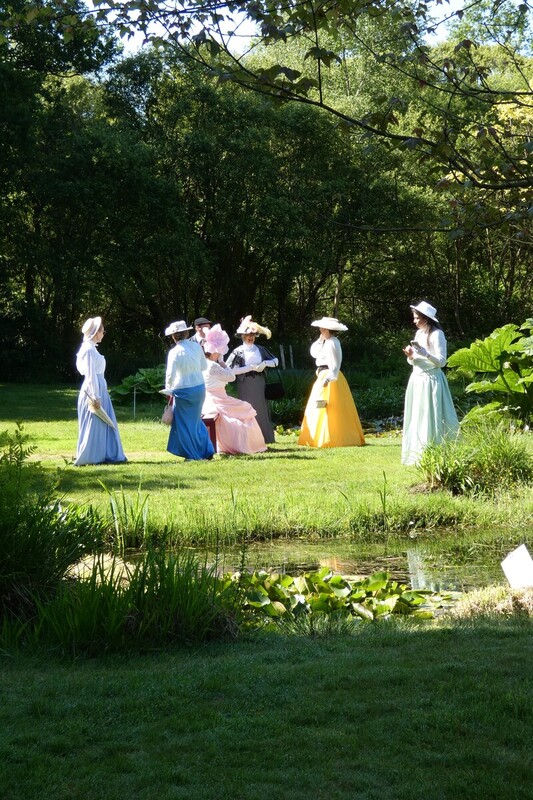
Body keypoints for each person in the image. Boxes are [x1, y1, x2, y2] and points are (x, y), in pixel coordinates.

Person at [401, 300, 459, 465]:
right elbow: (414, 360)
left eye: (417, 318)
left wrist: (426, 353)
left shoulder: (437, 334)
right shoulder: (419, 334)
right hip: (417, 379)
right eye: (414, 317)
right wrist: (411, 355)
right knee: (418, 414)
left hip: (431, 380)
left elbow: (441, 362)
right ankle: (418, 453)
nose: (414, 321)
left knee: (431, 414)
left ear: (426, 318)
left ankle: (434, 450)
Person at [298, 316, 365, 449]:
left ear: (327, 329)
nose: (320, 330)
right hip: (323, 375)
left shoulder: (333, 342)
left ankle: (332, 437)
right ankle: (318, 437)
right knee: (320, 406)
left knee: (330, 407)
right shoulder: (326, 341)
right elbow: (314, 353)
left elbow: (335, 363)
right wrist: (320, 339)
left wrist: (329, 378)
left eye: (322, 329)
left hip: (329, 376)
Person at [201, 325, 266, 455]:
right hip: (218, 399)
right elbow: (231, 377)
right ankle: (245, 444)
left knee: (244, 408)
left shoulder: (203, 363)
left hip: (212, 397)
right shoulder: (213, 366)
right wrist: (223, 363)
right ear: (215, 351)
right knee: (246, 408)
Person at [74, 316, 127, 466]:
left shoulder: (90, 348)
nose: (104, 333)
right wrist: (95, 395)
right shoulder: (89, 349)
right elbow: (90, 374)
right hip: (94, 388)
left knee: (102, 421)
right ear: (96, 332)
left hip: (99, 386)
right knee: (95, 421)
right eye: (103, 331)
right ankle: (91, 455)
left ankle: (106, 453)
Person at [163, 320, 215, 461]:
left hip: (182, 390)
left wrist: (168, 391)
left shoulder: (174, 352)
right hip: (199, 388)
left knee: (184, 424)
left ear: (173, 336)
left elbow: (170, 375)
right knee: (196, 421)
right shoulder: (196, 347)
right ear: (186, 333)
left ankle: (192, 455)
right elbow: (203, 366)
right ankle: (207, 450)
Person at [226, 315, 279, 444]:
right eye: (248, 335)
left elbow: (276, 361)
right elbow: (230, 370)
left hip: (260, 383)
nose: (250, 338)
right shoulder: (238, 352)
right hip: (245, 384)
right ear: (243, 336)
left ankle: (265, 438)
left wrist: (264, 364)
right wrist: (249, 368)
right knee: (247, 409)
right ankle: (249, 440)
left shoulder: (260, 349)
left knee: (261, 409)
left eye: (253, 336)